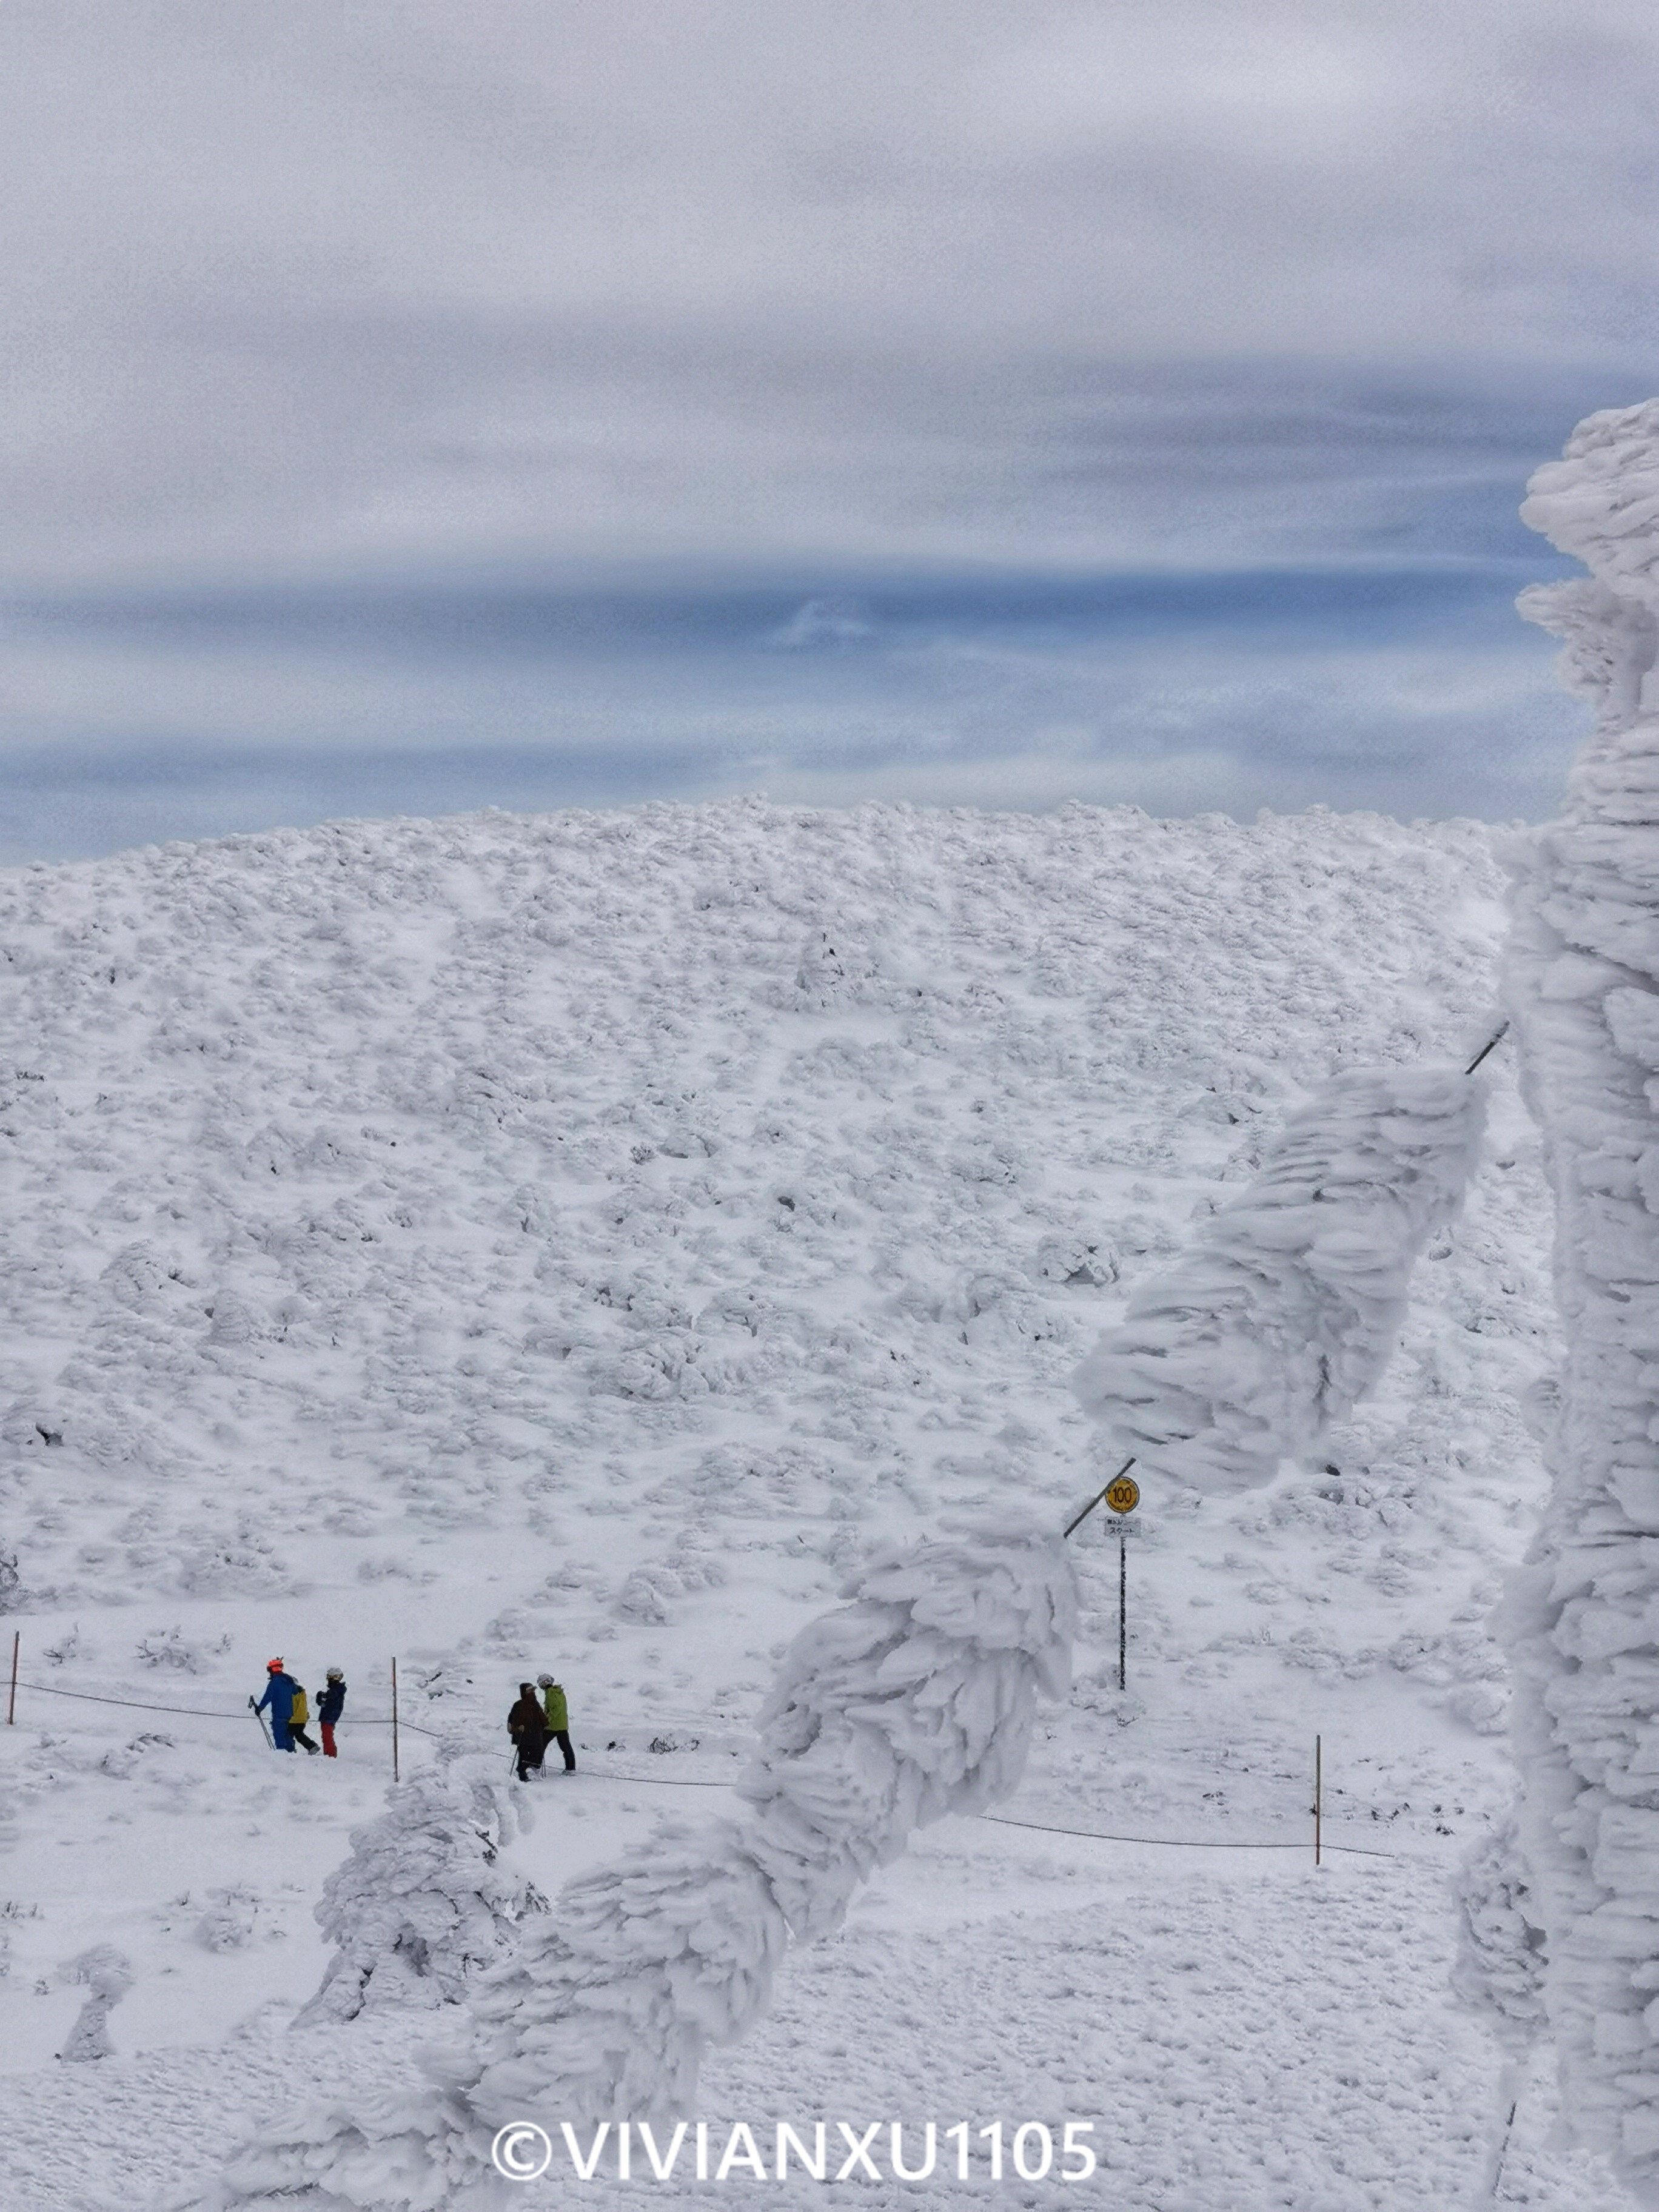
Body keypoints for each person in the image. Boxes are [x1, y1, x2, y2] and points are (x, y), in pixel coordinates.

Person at [252, 1659, 298, 1751]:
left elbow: (267, 1697)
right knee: (288, 1737)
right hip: (289, 1714)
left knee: (280, 1737)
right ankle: (292, 1756)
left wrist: (259, 1709)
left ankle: (281, 1758)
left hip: (278, 1714)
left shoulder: (274, 1683)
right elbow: (296, 1692)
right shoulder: (289, 1681)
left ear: (271, 1670)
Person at [508, 1682, 549, 1781]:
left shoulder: (536, 1705)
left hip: (536, 1735)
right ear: (524, 1692)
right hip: (524, 1736)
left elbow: (544, 1721)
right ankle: (522, 1774)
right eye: (530, 1690)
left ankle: (531, 1772)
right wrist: (518, 1728)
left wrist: (544, 1722)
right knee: (524, 1756)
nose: (533, 1692)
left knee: (537, 1753)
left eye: (533, 1690)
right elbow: (512, 1722)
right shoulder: (519, 1705)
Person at [538, 1671, 576, 1772]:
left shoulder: (551, 1693)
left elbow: (554, 1710)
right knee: (566, 1747)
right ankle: (571, 1768)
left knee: (540, 1745)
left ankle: (535, 1766)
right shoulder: (559, 1692)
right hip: (562, 1725)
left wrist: (545, 1720)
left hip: (552, 1726)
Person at [287, 1678, 321, 1755]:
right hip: (302, 1719)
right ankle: (312, 1746)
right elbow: (302, 1706)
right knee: (299, 1734)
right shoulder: (301, 1693)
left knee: (288, 1735)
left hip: (294, 1719)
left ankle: (289, 1750)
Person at [318, 1667, 346, 1758]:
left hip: (330, 1716)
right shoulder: (335, 1690)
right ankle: (329, 1754)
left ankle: (330, 1755)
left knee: (327, 1737)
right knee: (326, 1737)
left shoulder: (337, 1690)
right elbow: (324, 1702)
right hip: (328, 1716)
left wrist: (323, 1696)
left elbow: (330, 1699)